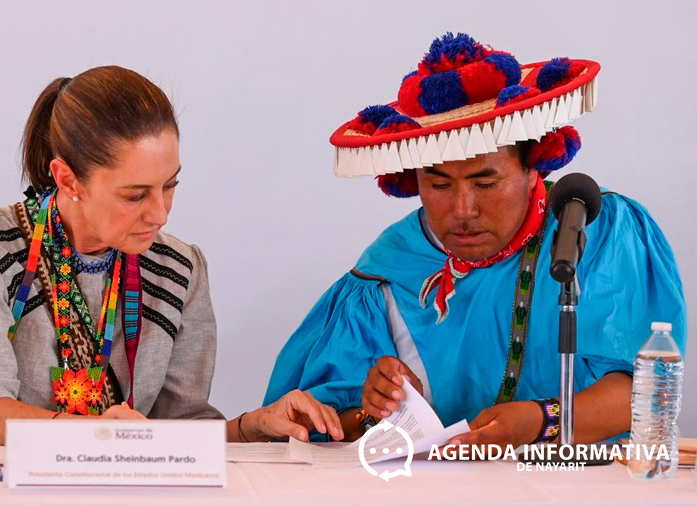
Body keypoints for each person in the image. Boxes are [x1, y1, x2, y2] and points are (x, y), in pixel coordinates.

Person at [263, 33, 686, 446]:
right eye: (439, 185)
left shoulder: (597, 228)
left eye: (485, 182)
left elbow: (643, 394)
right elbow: (318, 427)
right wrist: (374, 408)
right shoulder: (388, 270)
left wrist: (539, 423)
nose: (463, 210)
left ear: (531, 168)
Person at [0, 65, 342, 445]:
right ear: (67, 179)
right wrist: (99, 433)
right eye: (135, 195)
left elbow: (178, 429)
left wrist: (255, 425)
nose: (159, 214)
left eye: (170, 185)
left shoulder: (181, 268)